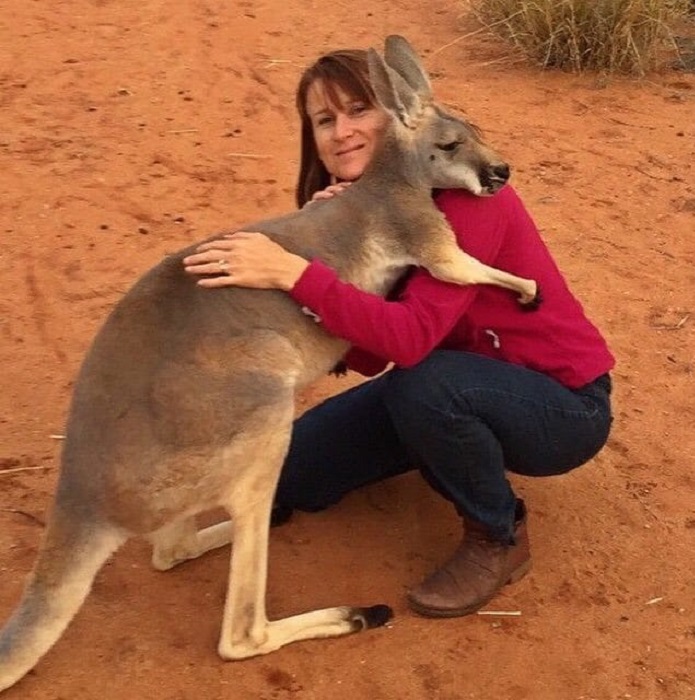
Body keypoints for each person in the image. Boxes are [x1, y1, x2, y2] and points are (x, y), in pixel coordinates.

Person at [182, 48, 615, 618]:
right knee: (297, 471)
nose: (343, 132)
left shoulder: (467, 200)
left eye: (360, 109)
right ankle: (440, 441)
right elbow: (363, 355)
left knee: (425, 387)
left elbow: (407, 343)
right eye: (325, 120)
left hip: (560, 406)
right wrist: (329, 252)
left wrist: (297, 274)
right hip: (450, 380)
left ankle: (497, 535)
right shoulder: (361, 210)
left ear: (399, 115)